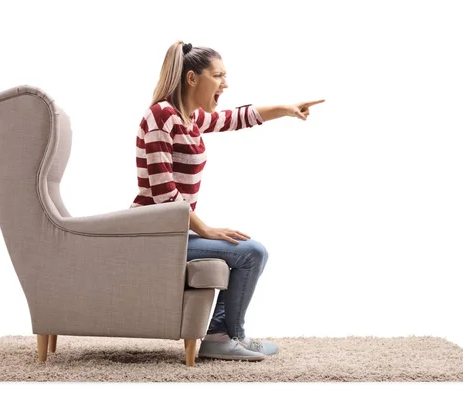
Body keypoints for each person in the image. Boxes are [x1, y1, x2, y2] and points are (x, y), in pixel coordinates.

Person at [130, 40, 324, 361]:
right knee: (251, 253)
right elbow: (165, 195)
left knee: (247, 251)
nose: (225, 83)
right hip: (153, 235)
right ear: (192, 79)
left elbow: (237, 117)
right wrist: (206, 230)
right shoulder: (161, 116)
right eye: (218, 76)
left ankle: (227, 335)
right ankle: (223, 337)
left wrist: (286, 110)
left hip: (172, 232)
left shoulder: (189, 118)